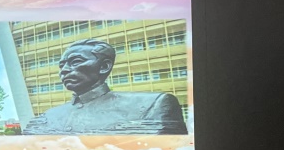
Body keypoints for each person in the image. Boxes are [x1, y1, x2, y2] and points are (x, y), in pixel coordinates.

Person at [23, 38, 187, 135]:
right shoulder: (48, 117)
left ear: (104, 66)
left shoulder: (152, 105)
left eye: (76, 62)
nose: (64, 70)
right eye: (62, 65)